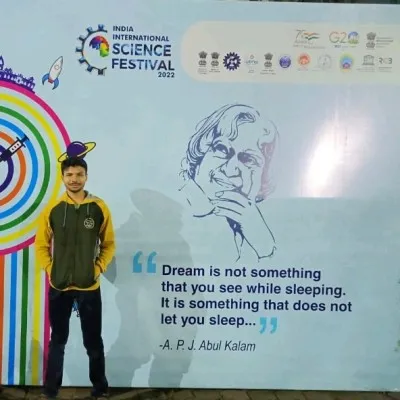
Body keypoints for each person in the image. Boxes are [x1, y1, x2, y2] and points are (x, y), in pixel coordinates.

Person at [35, 156, 116, 399]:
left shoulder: (99, 207)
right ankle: (51, 390)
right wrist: (51, 268)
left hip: (88, 286)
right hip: (59, 286)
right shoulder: (53, 208)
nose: (74, 179)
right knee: (58, 340)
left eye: (79, 174)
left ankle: (100, 388)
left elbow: (109, 244)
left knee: (93, 341)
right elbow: (41, 245)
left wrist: (98, 268)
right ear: (63, 177)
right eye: (69, 175)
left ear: (86, 177)